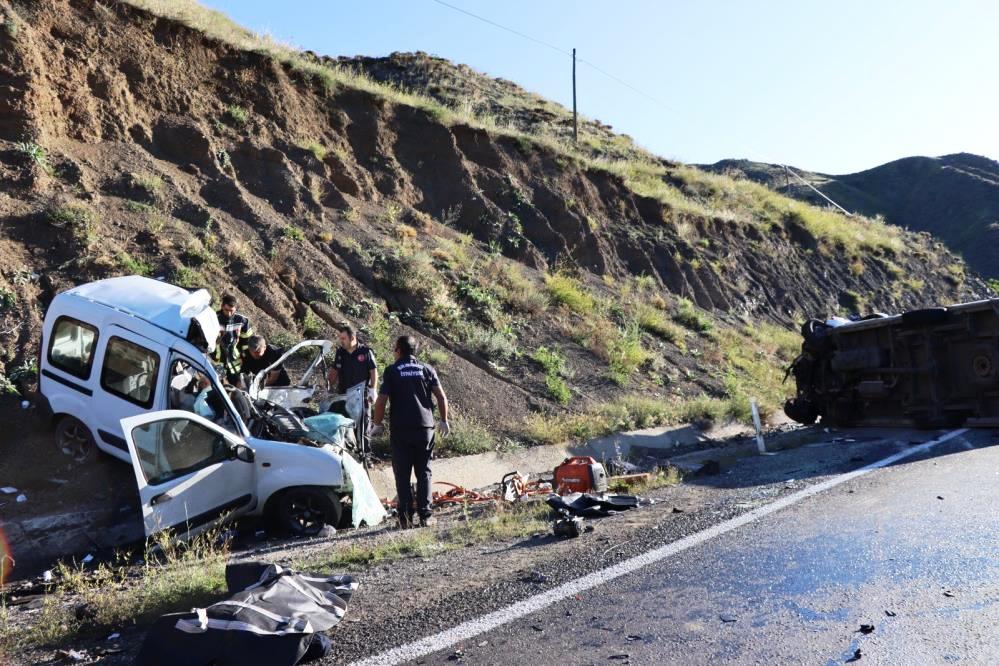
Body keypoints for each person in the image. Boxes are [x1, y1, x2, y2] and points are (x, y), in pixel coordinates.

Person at [371, 335, 450, 529]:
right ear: (415, 351)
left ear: (399, 350)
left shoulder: (392, 370)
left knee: (402, 475)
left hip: (401, 431)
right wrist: (444, 420)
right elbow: (441, 397)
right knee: (424, 472)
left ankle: (405, 519)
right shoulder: (427, 369)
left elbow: (381, 401)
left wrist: (378, 424)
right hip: (425, 429)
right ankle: (426, 517)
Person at [327, 323, 377, 447]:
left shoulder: (365, 352)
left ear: (352, 338)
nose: (341, 341)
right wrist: (327, 385)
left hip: (362, 397)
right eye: (340, 338)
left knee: (363, 426)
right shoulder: (340, 353)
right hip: (344, 395)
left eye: (343, 338)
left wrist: (373, 389)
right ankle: (350, 454)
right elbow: (334, 370)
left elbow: (373, 371)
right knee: (345, 425)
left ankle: (366, 455)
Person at [213, 294, 254, 385]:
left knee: (238, 387)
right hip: (217, 362)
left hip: (235, 362)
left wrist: (246, 358)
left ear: (235, 308)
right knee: (218, 388)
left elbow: (247, 342)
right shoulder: (213, 319)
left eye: (231, 311)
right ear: (222, 306)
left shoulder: (242, 320)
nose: (229, 314)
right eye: (226, 310)